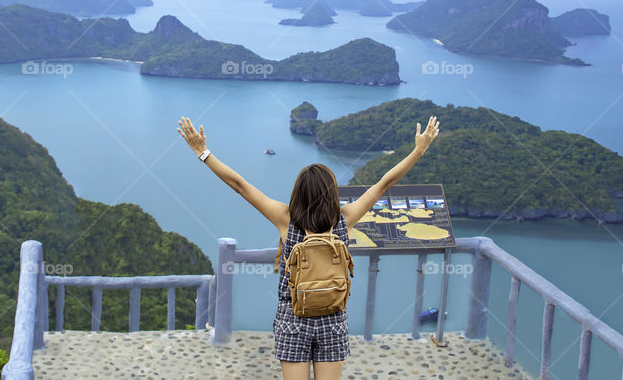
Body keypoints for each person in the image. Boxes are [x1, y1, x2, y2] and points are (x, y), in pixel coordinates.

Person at [177, 115, 440, 380]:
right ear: (332, 192)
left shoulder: (285, 219)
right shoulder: (345, 219)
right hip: (333, 318)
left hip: (293, 318)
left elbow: (240, 186)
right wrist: (418, 151)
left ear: (298, 193)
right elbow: (384, 184)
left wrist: (203, 153)